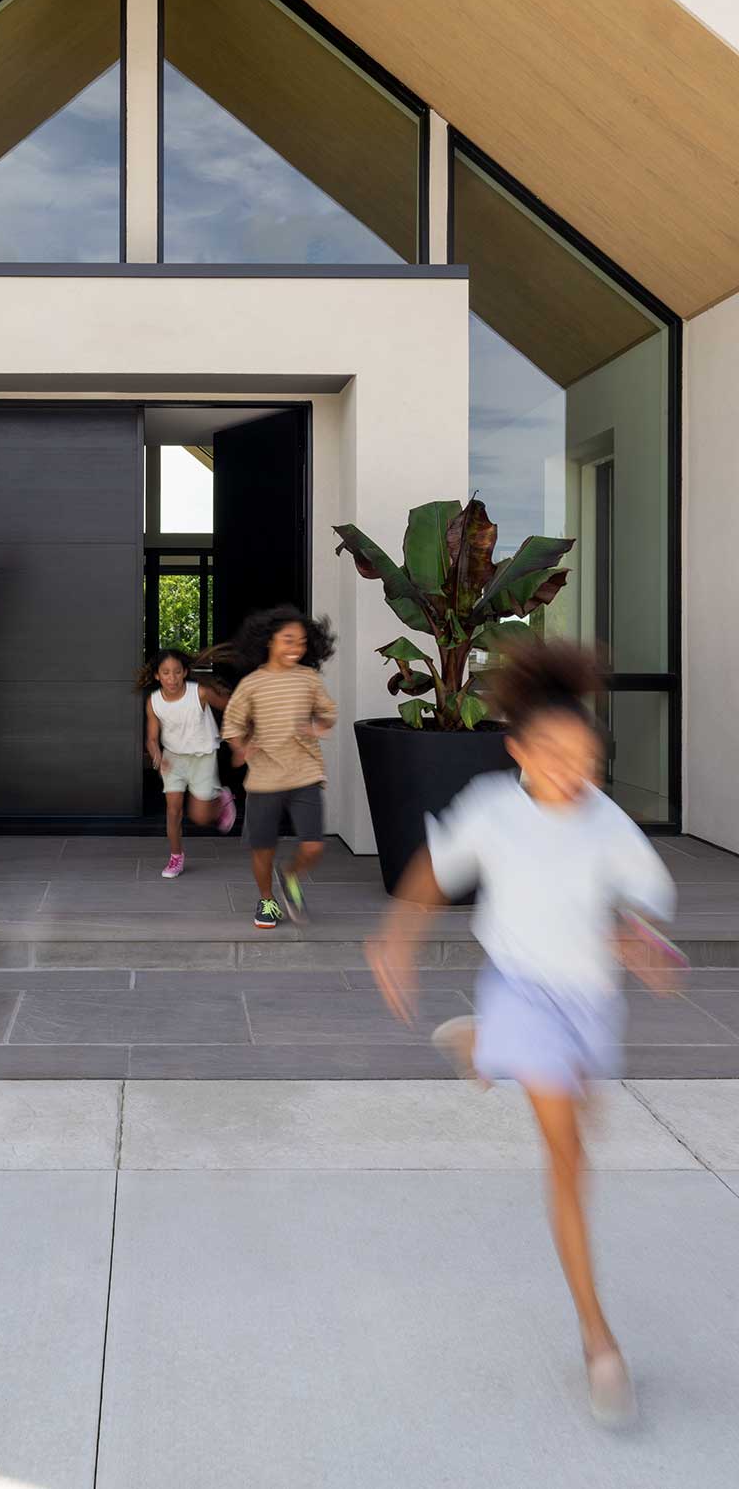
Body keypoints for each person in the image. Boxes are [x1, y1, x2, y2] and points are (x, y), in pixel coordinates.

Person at [366, 639, 681, 1428]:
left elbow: (634, 898)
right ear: (518, 750)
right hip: (521, 986)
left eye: (587, 760)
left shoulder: (605, 822)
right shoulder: (493, 807)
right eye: (554, 755)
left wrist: (634, 942)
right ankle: (597, 1338)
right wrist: (395, 938)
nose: (572, 772)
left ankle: (483, 1045)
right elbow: (435, 871)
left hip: (589, 1005)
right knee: (568, 1156)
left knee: (582, 1129)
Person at [218, 606, 337, 928]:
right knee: (263, 847)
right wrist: (241, 747)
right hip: (265, 778)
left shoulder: (309, 679)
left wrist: (317, 726)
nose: (296, 648)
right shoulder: (253, 684)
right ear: (270, 641)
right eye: (288, 640)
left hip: (305, 774)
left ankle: (291, 874)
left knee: (313, 846)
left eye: (301, 643)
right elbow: (231, 725)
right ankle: (267, 900)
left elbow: (328, 712)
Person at [139, 648, 236, 878]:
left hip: (202, 757)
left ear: (185, 673)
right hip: (173, 758)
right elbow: (152, 737)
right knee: (173, 811)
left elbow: (231, 705)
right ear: (157, 676)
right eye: (165, 673)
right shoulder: (154, 702)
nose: (171, 678)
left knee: (201, 817)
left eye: (176, 672)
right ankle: (176, 857)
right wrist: (157, 755)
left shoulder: (199, 693)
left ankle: (222, 798)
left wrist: (237, 733)